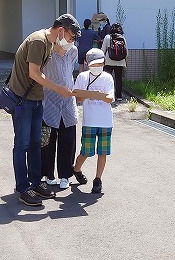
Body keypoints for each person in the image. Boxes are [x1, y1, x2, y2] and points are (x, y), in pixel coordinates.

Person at [9, 13, 81, 206]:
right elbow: (34, 73)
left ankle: (35, 183)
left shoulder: (49, 43)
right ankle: (23, 188)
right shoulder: (39, 41)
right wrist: (59, 89)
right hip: (23, 99)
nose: (71, 41)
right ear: (61, 30)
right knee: (22, 144)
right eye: (71, 36)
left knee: (35, 143)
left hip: (36, 99)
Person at [72, 48, 114, 193]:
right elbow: (77, 97)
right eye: (93, 65)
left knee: (102, 152)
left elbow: (110, 99)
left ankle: (98, 180)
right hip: (89, 120)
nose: (97, 67)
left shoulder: (107, 77)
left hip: (105, 121)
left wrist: (96, 95)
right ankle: (76, 169)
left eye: (99, 64)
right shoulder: (82, 77)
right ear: (87, 64)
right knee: (86, 151)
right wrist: (88, 95)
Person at [41, 43, 78, 189]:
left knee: (68, 139)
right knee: (47, 139)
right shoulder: (46, 51)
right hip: (49, 99)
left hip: (68, 101)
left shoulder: (73, 50)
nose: (71, 40)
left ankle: (65, 175)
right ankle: (48, 173)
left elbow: (69, 72)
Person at [101, 23, 127, 101]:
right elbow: (126, 51)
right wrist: (125, 61)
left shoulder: (107, 37)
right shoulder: (122, 38)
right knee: (118, 79)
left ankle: (107, 94)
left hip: (109, 61)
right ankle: (118, 96)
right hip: (120, 62)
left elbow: (103, 50)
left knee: (107, 78)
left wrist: (102, 60)